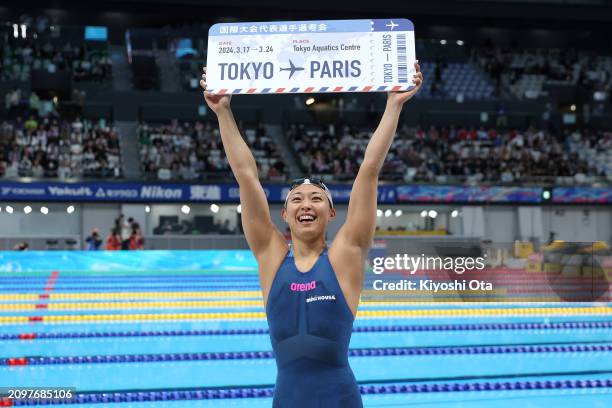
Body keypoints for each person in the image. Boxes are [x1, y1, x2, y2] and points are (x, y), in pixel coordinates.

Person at [200, 62, 423, 407]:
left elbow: (370, 170)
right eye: (297, 200)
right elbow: (246, 176)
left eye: (317, 199)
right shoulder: (270, 256)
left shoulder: (346, 255)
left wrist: (394, 104)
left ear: (332, 213)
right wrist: (223, 111)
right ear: (284, 214)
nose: (306, 204)